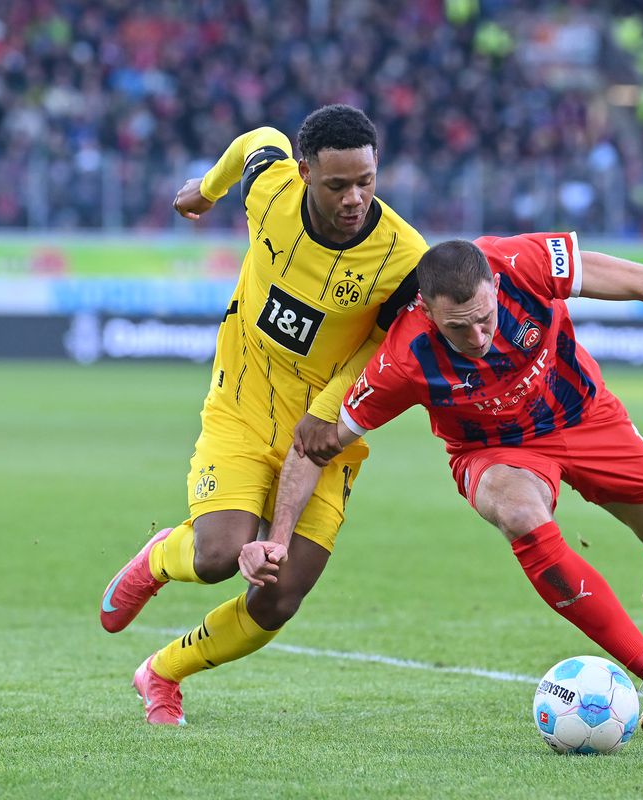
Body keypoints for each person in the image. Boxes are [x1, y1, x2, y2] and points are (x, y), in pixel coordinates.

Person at [246, 234, 643, 737]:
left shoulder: (525, 263)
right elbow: (313, 443)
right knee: (521, 513)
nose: (477, 339)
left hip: (585, 416)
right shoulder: (404, 360)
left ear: (495, 289)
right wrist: (279, 538)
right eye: (458, 329)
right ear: (428, 313)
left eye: (484, 319)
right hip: (494, 453)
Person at [98, 105, 428, 725]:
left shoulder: (405, 259)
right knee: (222, 552)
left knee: (279, 597)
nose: (355, 197)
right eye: (337, 185)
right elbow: (258, 139)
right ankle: (159, 559)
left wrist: (328, 417)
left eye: (367, 181)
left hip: (329, 427)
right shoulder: (270, 191)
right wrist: (204, 189)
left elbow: (383, 350)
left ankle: (162, 672)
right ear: (304, 174)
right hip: (244, 403)